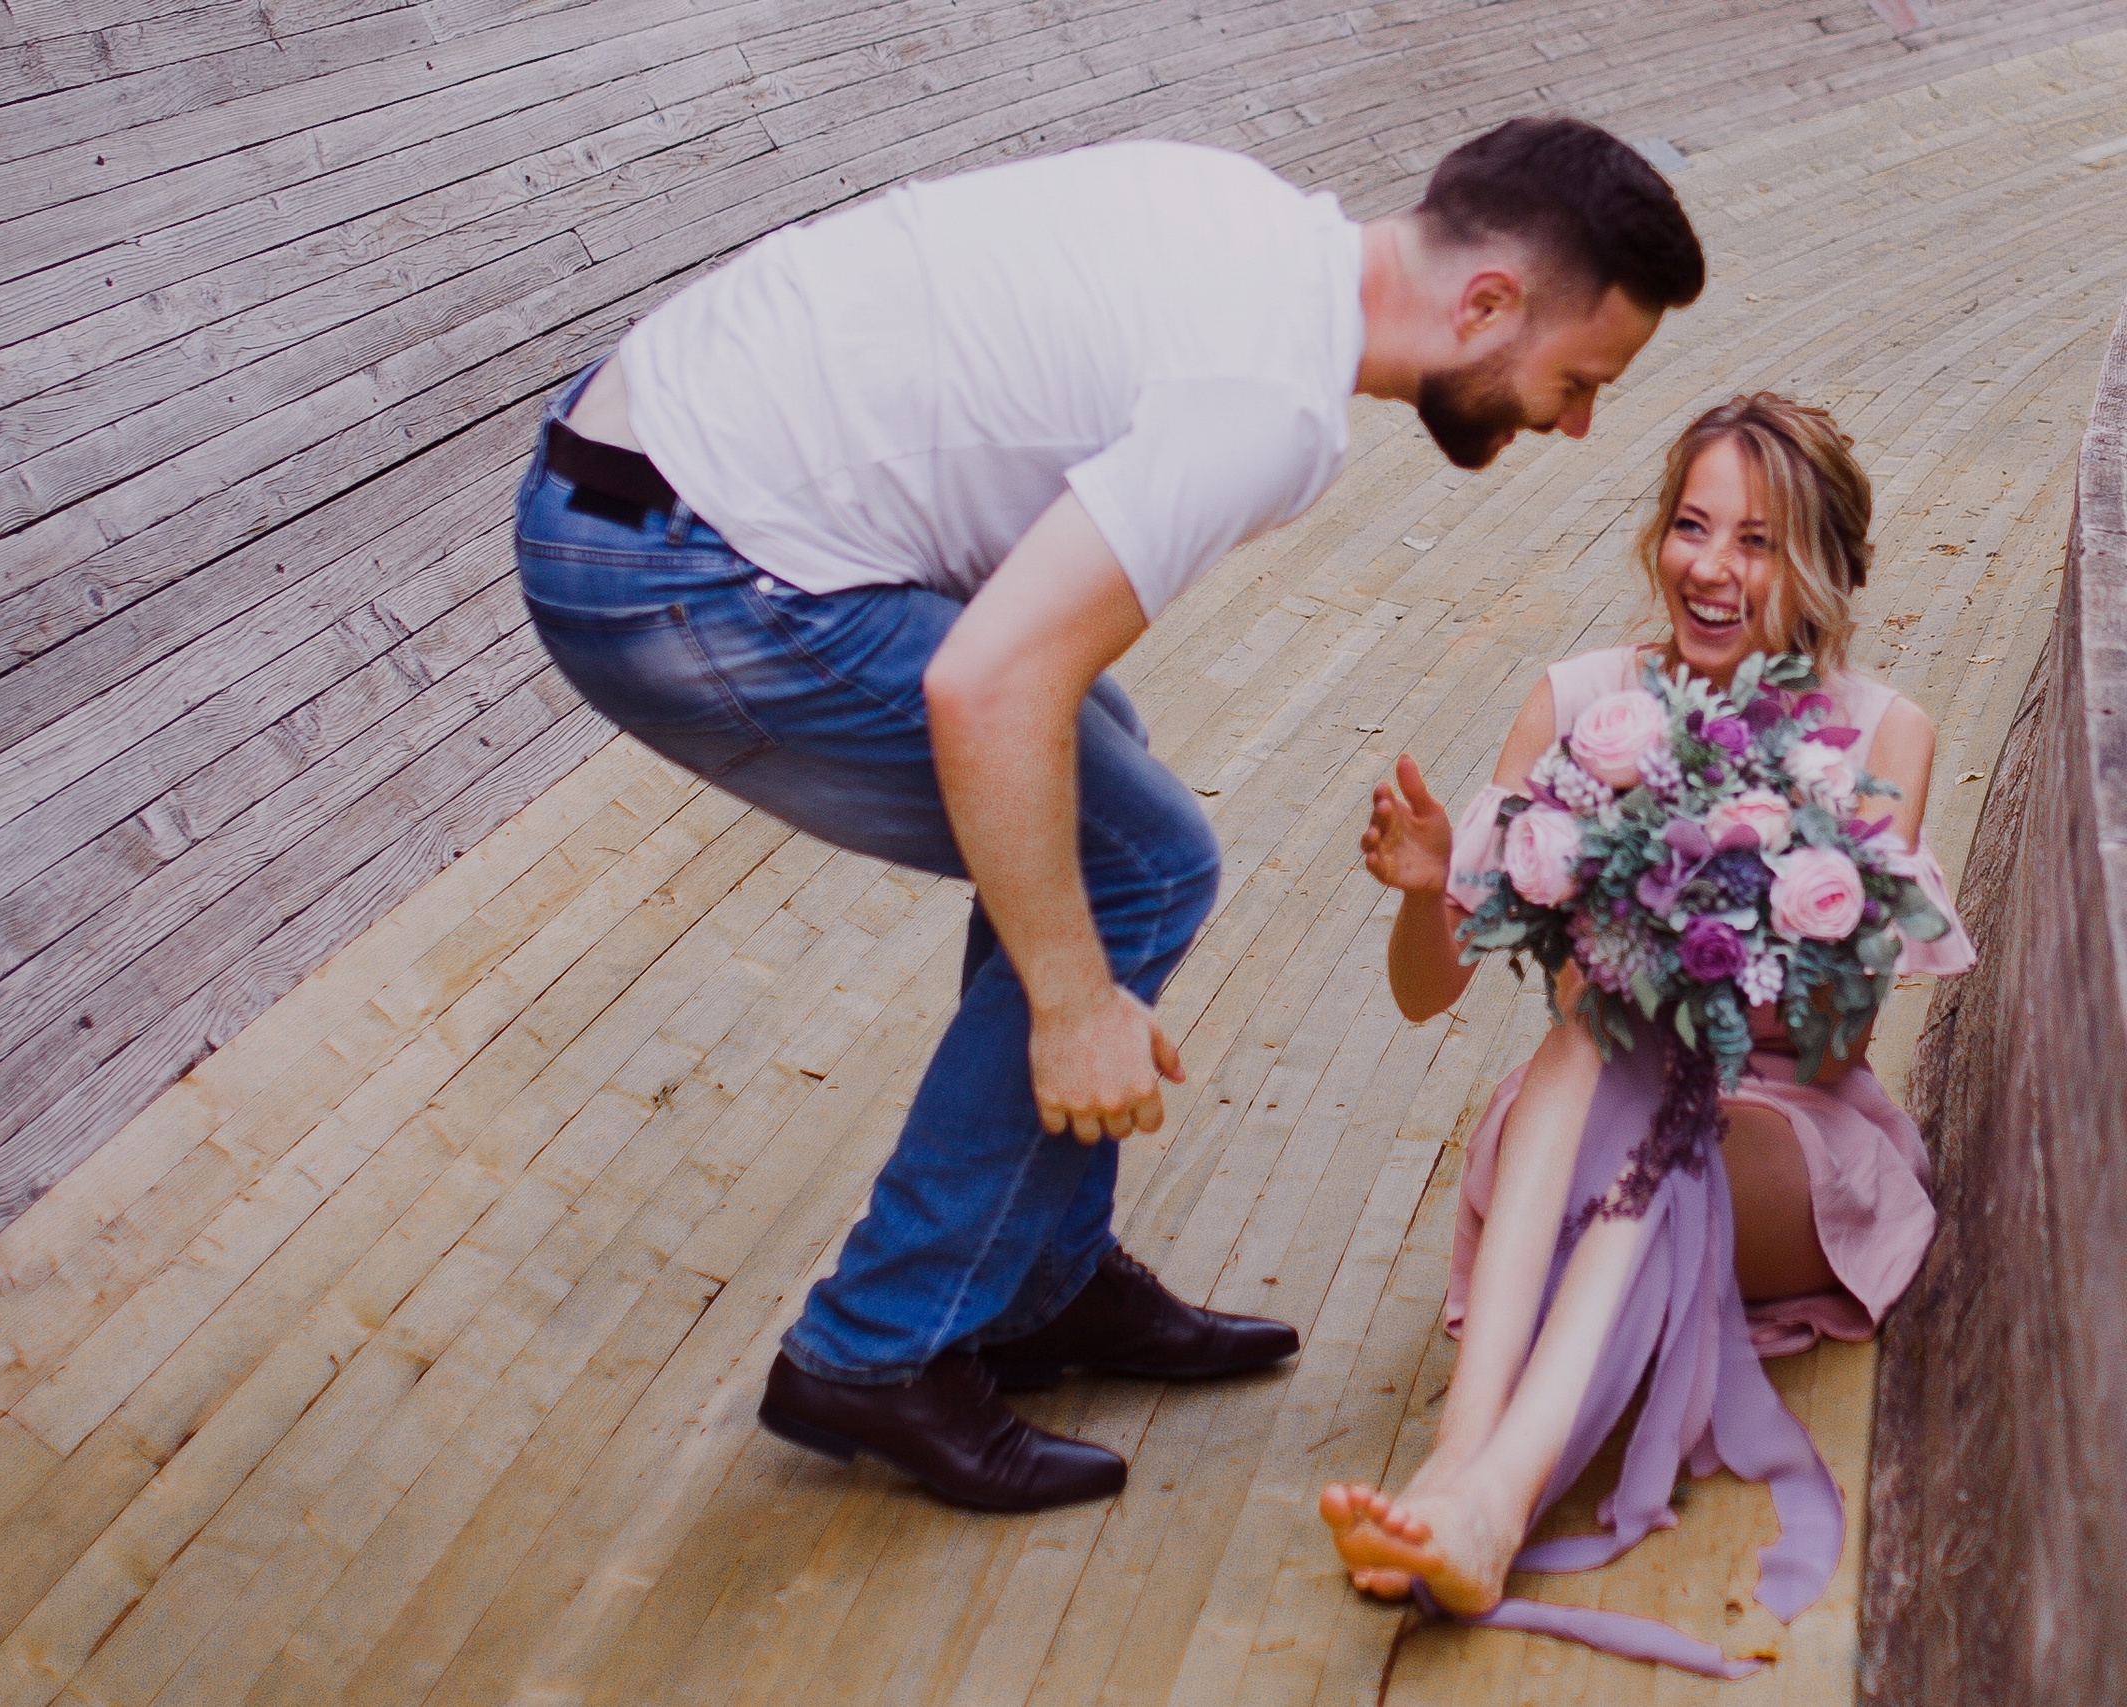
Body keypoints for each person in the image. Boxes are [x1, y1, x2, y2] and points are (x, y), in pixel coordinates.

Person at [515, 119, 1706, 1514]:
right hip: (674, 560)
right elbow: (988, 685)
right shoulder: (1267, 397)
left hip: (645, 455)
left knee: (1102, 779)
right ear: (1488, 304)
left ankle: (1033, 1277)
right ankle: (879, 1345)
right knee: (1139, 861)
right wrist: (1075, 1004)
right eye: (1580, 381)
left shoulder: (1254, 215)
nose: (1576, 423)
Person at [1328, 394, 1976, 1671]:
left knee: (1639, 1052)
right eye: (1691, 525)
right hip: (1565, 1135)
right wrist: (1426, 888)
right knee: (1597, 1028)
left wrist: (1759, 912)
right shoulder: (1580, 702)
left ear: (1820, 567)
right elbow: (1424, 994)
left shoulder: (1878, 735)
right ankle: (1466, 1477)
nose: (1711, 567)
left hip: (1781, 1138)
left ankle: (1484, 1486)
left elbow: (1837, 1050)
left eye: (1755, 541)